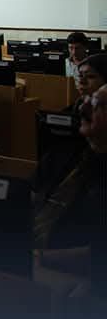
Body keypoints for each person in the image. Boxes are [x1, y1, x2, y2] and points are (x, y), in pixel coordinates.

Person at [33, 75, 107, 301]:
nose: (82, 108)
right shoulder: (76, 156)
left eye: (97, 105)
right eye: (88, 101)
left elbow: (100, 253)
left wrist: (42, 258)